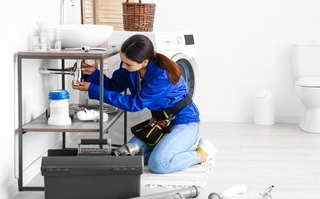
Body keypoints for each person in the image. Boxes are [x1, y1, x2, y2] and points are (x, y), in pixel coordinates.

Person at [72, 34, 216, 173]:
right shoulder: (129, 69)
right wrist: (93, 74)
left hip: (185, 123)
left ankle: (201, 154)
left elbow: (134, 104)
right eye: (123, 61)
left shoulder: (162, 76)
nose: (123, 66)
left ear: (145, 62)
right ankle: (169, 147)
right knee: (127, 156)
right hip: (160, 123)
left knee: (159, 164)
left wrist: (93, 89)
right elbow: (114, 86)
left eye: (128, 63)